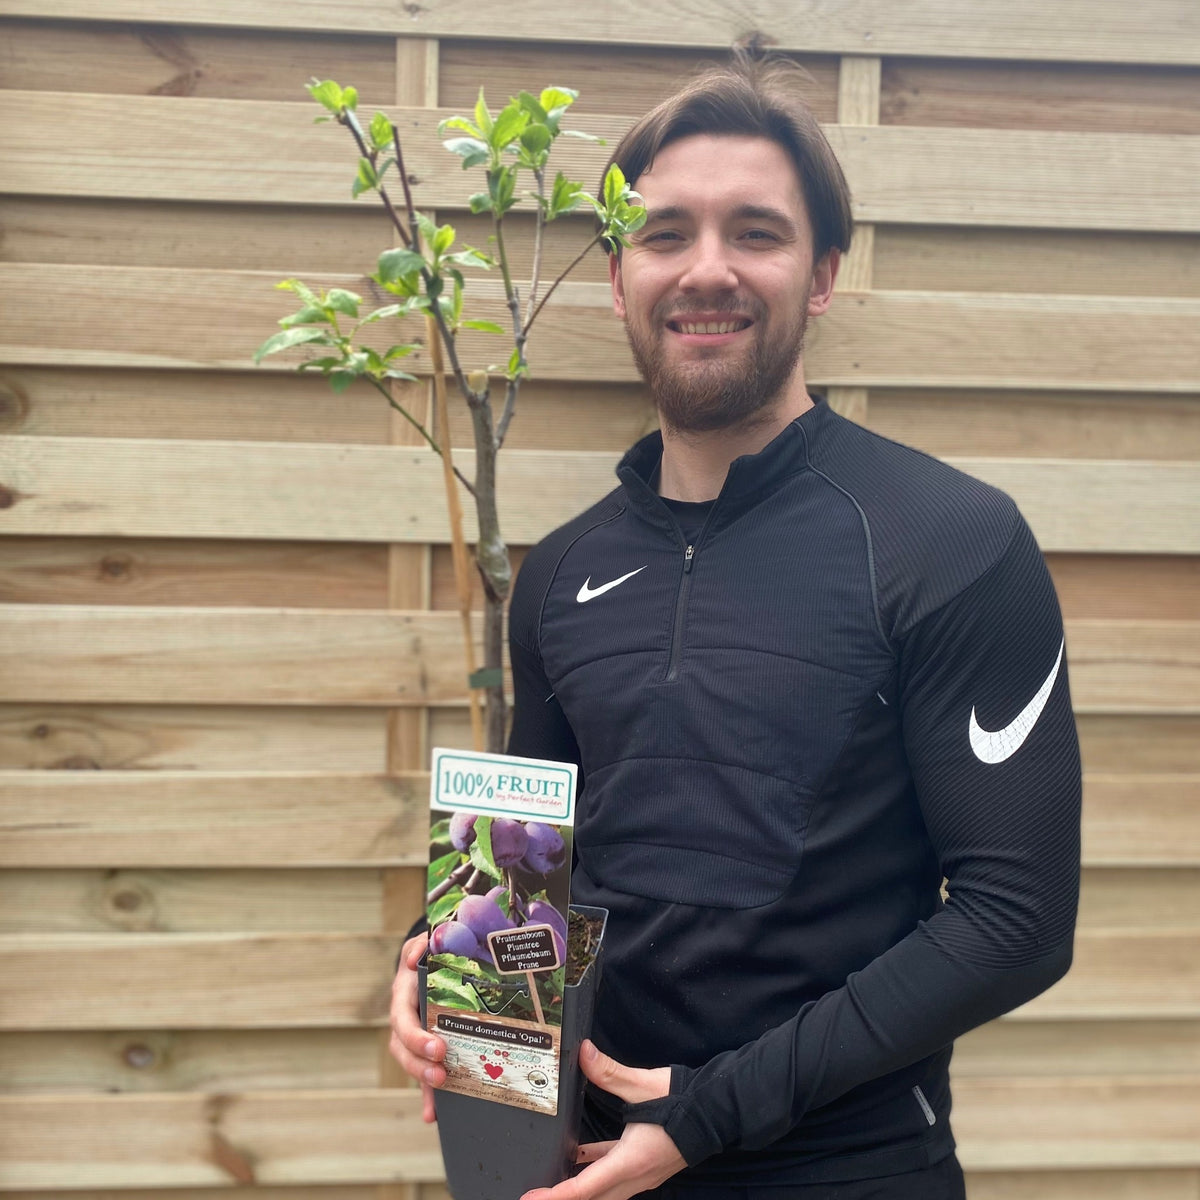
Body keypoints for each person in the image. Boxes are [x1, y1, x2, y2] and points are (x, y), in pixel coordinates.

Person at [392, 55, 1082, 1200]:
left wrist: (711, 1114)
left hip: (847, 1170)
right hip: (575, 1164)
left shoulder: (950, 540)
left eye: (754, 232)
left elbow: (1016, 922)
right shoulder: (563, 573)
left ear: (821, 275)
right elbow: (518, 878)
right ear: (617, 275)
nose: (706, 268)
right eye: (666, 233)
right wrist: (434, 983)